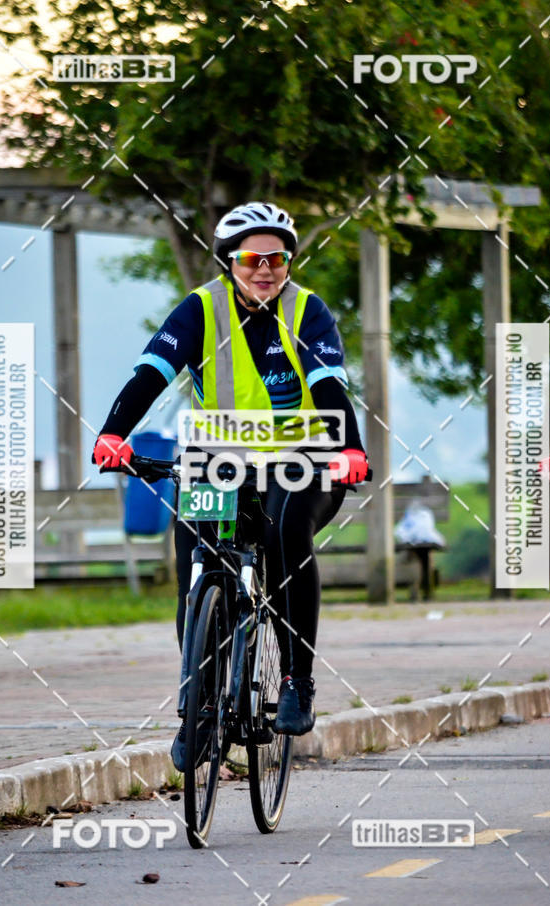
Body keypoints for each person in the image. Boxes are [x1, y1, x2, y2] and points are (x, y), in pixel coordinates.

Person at [93, 202, 369, 770]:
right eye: (252, 259)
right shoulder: (201, 309)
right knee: (194, 557)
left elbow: (328, 387)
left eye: (277, 258)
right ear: (229, 263)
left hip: (304, 458)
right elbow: (151, 374)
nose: (266, 269)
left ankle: (297, 680)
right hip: (219, 458)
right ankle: (198, 704)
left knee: (286, 528)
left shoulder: (306, 310)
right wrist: (114, 433)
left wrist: (351, 448)